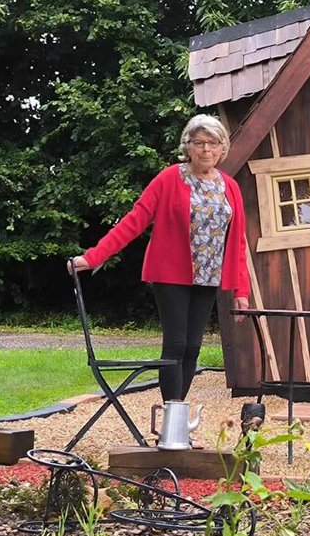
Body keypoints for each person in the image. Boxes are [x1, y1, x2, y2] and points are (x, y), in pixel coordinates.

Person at [71, 114, 251, 407]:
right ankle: (171, 421)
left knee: (193, 348)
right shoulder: (169, 179)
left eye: (213, 143)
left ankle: (176, 418)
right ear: (188, 147)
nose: (206, 149)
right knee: (176, 345)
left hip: (208, 277)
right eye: (199, 143)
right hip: (171, 275)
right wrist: (93, 257)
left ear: (222, 148)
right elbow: (135, 220)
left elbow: (238, 242)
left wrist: (242, 291)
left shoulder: (229, 187)